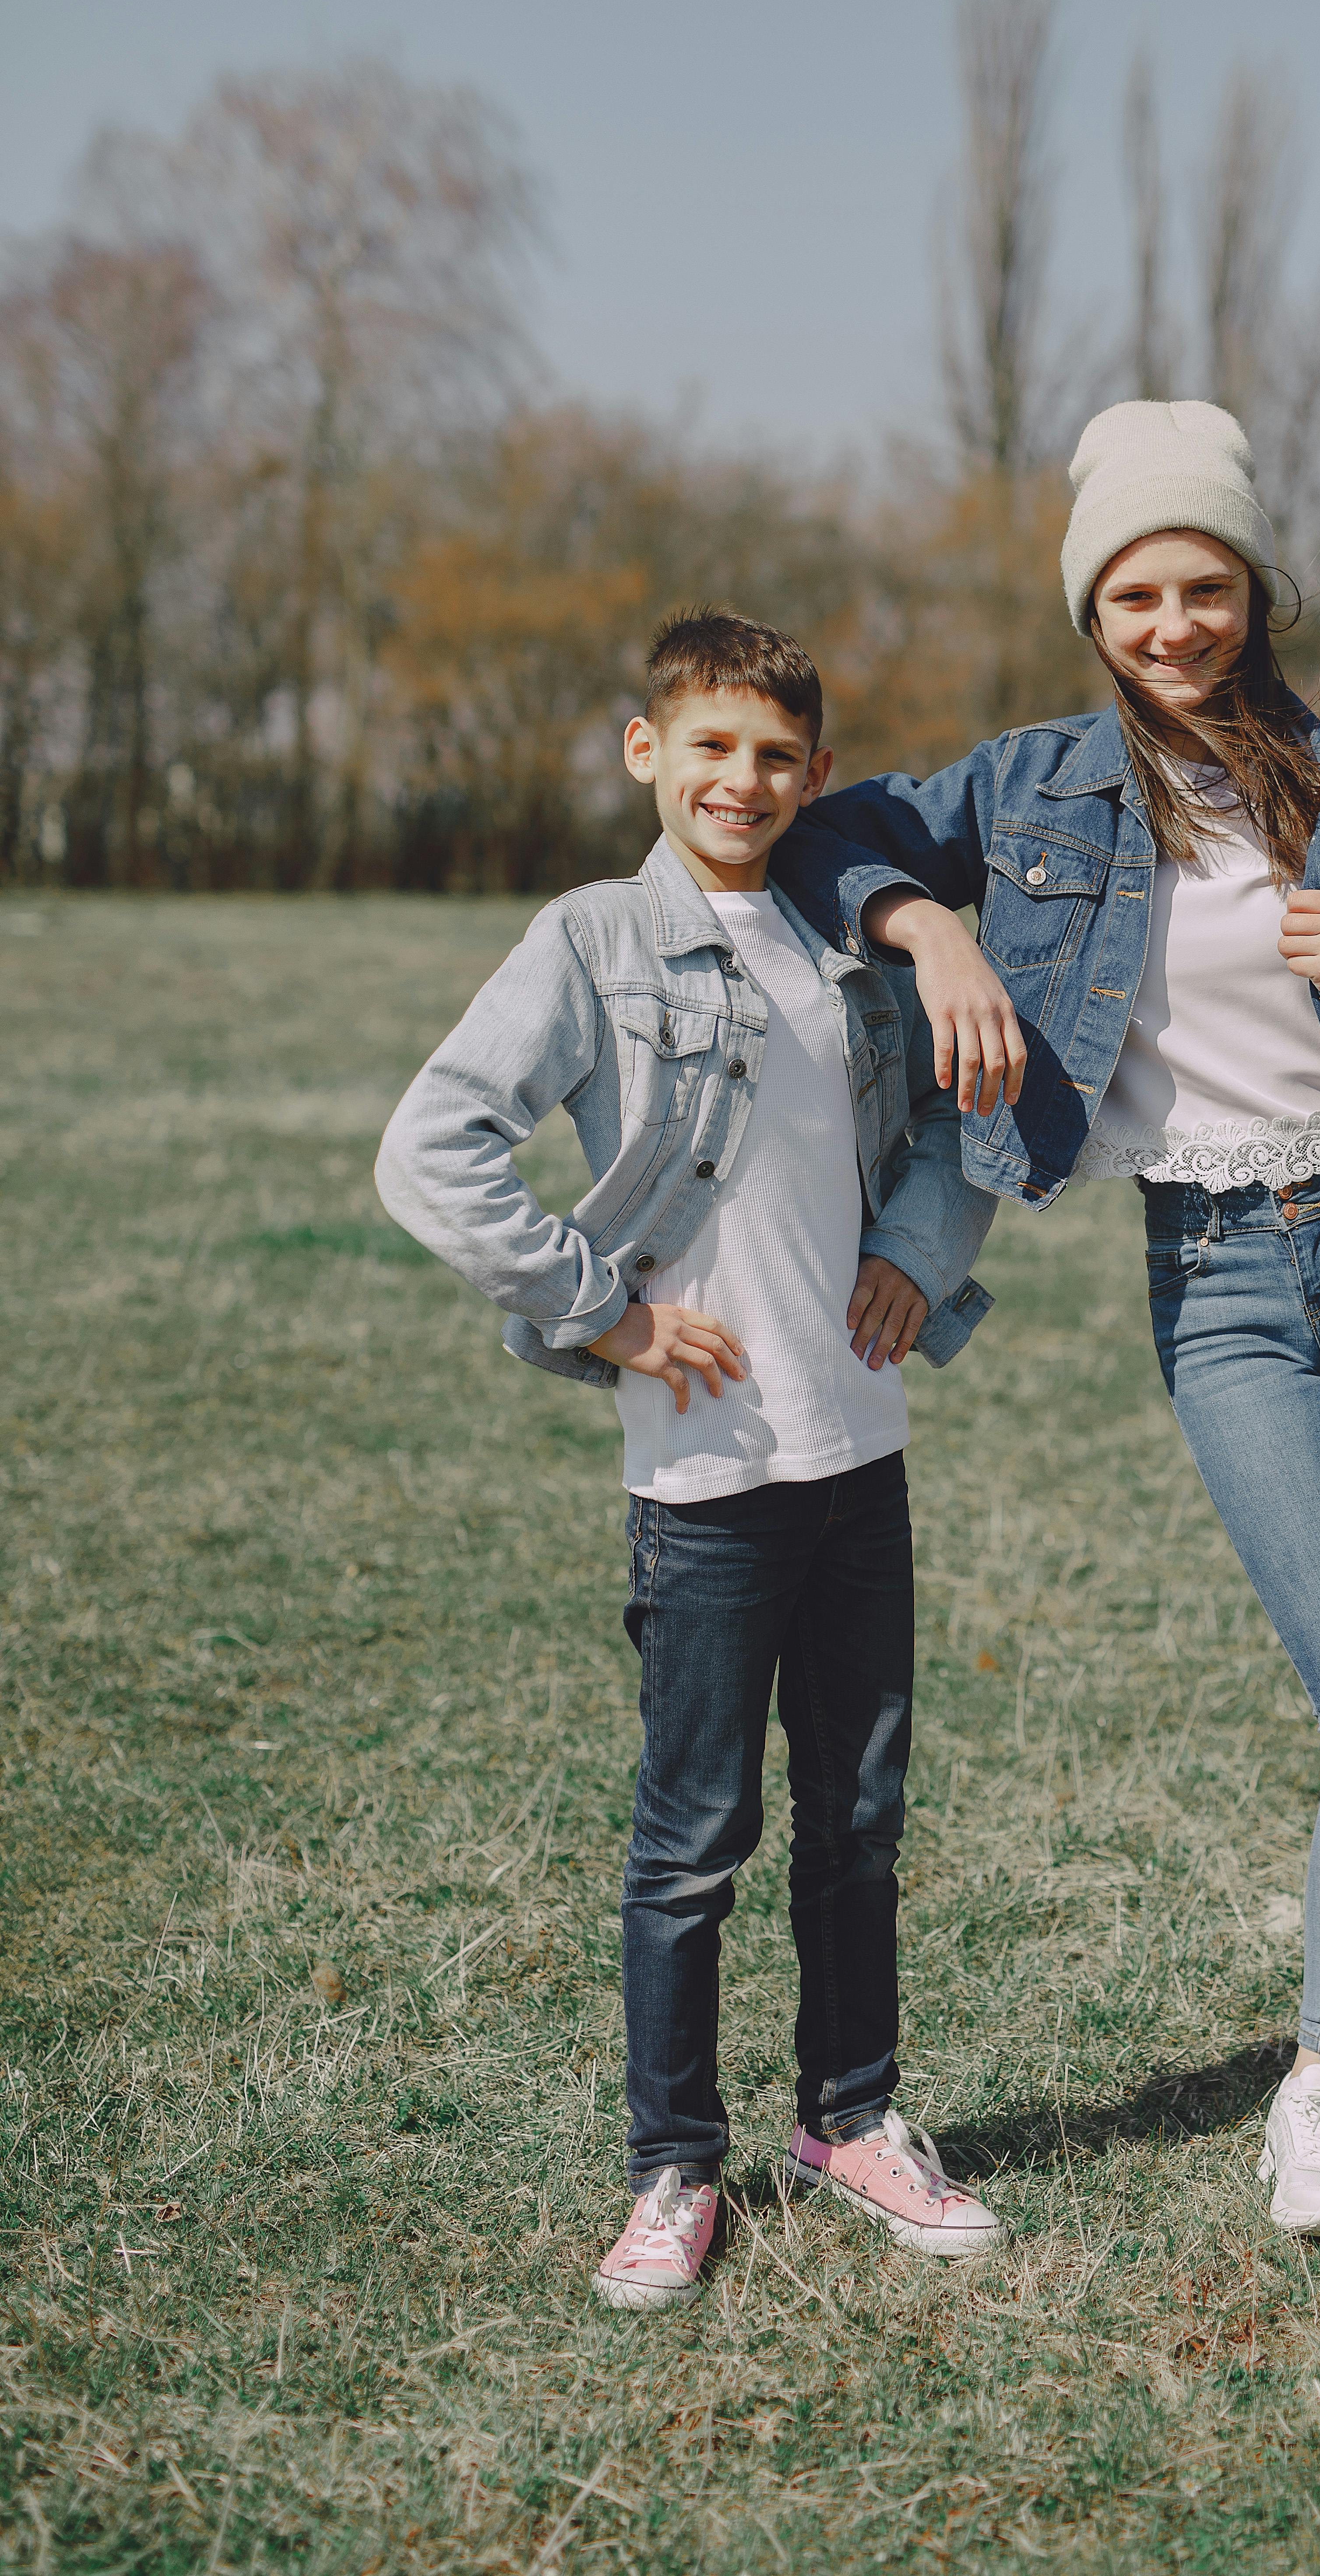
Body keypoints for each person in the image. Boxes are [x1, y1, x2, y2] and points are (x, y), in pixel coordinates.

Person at [773, 403, 1320, 2309]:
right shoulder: (1037, 788)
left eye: (1200, 584)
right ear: (1093, 604)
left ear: (1254, 588)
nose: (1169, 620)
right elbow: (826, 833)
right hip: (1217, 1279)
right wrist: (932, 933)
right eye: (1132, 591)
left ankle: (1316, 2078)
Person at [375, 605, 1003, 2309]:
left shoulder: (843, 942)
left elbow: (958, 1124)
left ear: (814, 776)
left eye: (779, 754)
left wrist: (918, 1253)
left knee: (857, 1827)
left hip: (855, 1451)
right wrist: (604, 1312)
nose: (745, 778)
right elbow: (432, 1148)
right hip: (704, 1483)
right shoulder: (594, 938)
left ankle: (852, 2122)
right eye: (712, 745)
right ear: (648, 751)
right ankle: (671, 2168)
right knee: (693, 1842)